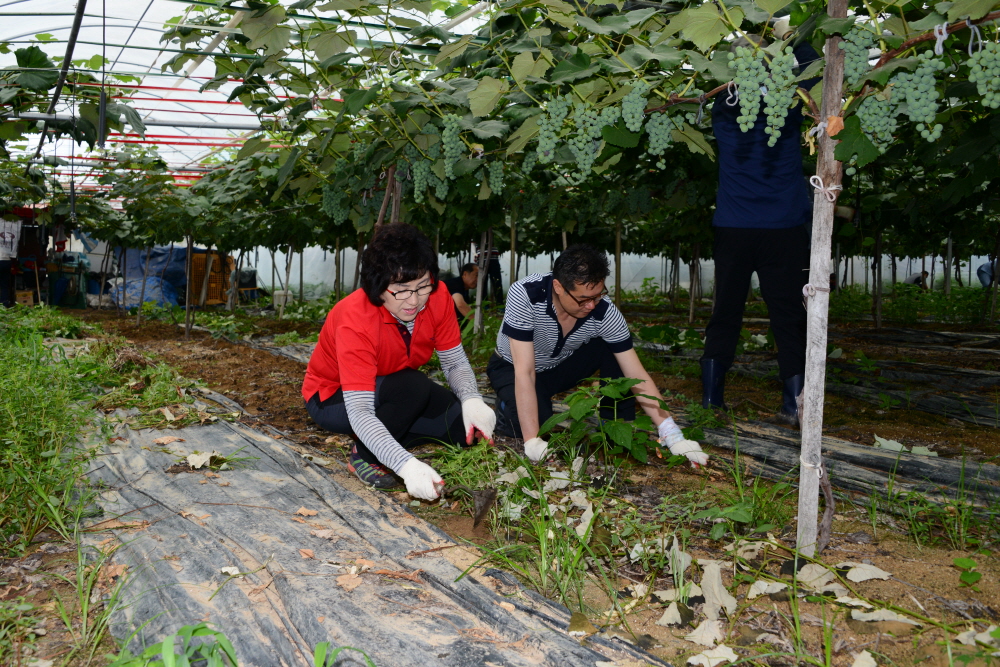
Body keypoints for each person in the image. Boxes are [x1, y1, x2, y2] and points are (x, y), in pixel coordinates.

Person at [302, 225, 496, 500]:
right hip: (335, 398)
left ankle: (390, 438)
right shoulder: (355, 318)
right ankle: (364, 454)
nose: (414, 301)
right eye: (401, 290)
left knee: (461, 430)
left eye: (422, 287)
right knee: (413, 387)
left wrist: (472, 399)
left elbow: (454, 363)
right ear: (377, 285)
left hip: (396, 386)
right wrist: (405, 466)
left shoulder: (438, 297)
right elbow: (360, 412)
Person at [486, 244, 708, 467]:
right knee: (535, 424)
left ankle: (614, 429)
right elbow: (525, 371)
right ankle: (506, 408)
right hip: (512, 368)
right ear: (558, 286)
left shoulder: (604, 312)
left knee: (611, 348)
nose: (592, 305)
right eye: (583, 299)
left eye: (598, 295)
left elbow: (635, 373)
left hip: (557, 367)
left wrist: (674, 436)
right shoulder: (526, 295)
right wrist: (532, 441)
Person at [701, 24, 821, 427]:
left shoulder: (723, 112)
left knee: (726, 312)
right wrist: (788, 34)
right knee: (788, 314)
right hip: (784, 228)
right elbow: (814, 66)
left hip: (733, 228)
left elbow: (719, 78)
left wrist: (748, 43)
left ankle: (711, 399)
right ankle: (794, 404)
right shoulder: (788, 110)